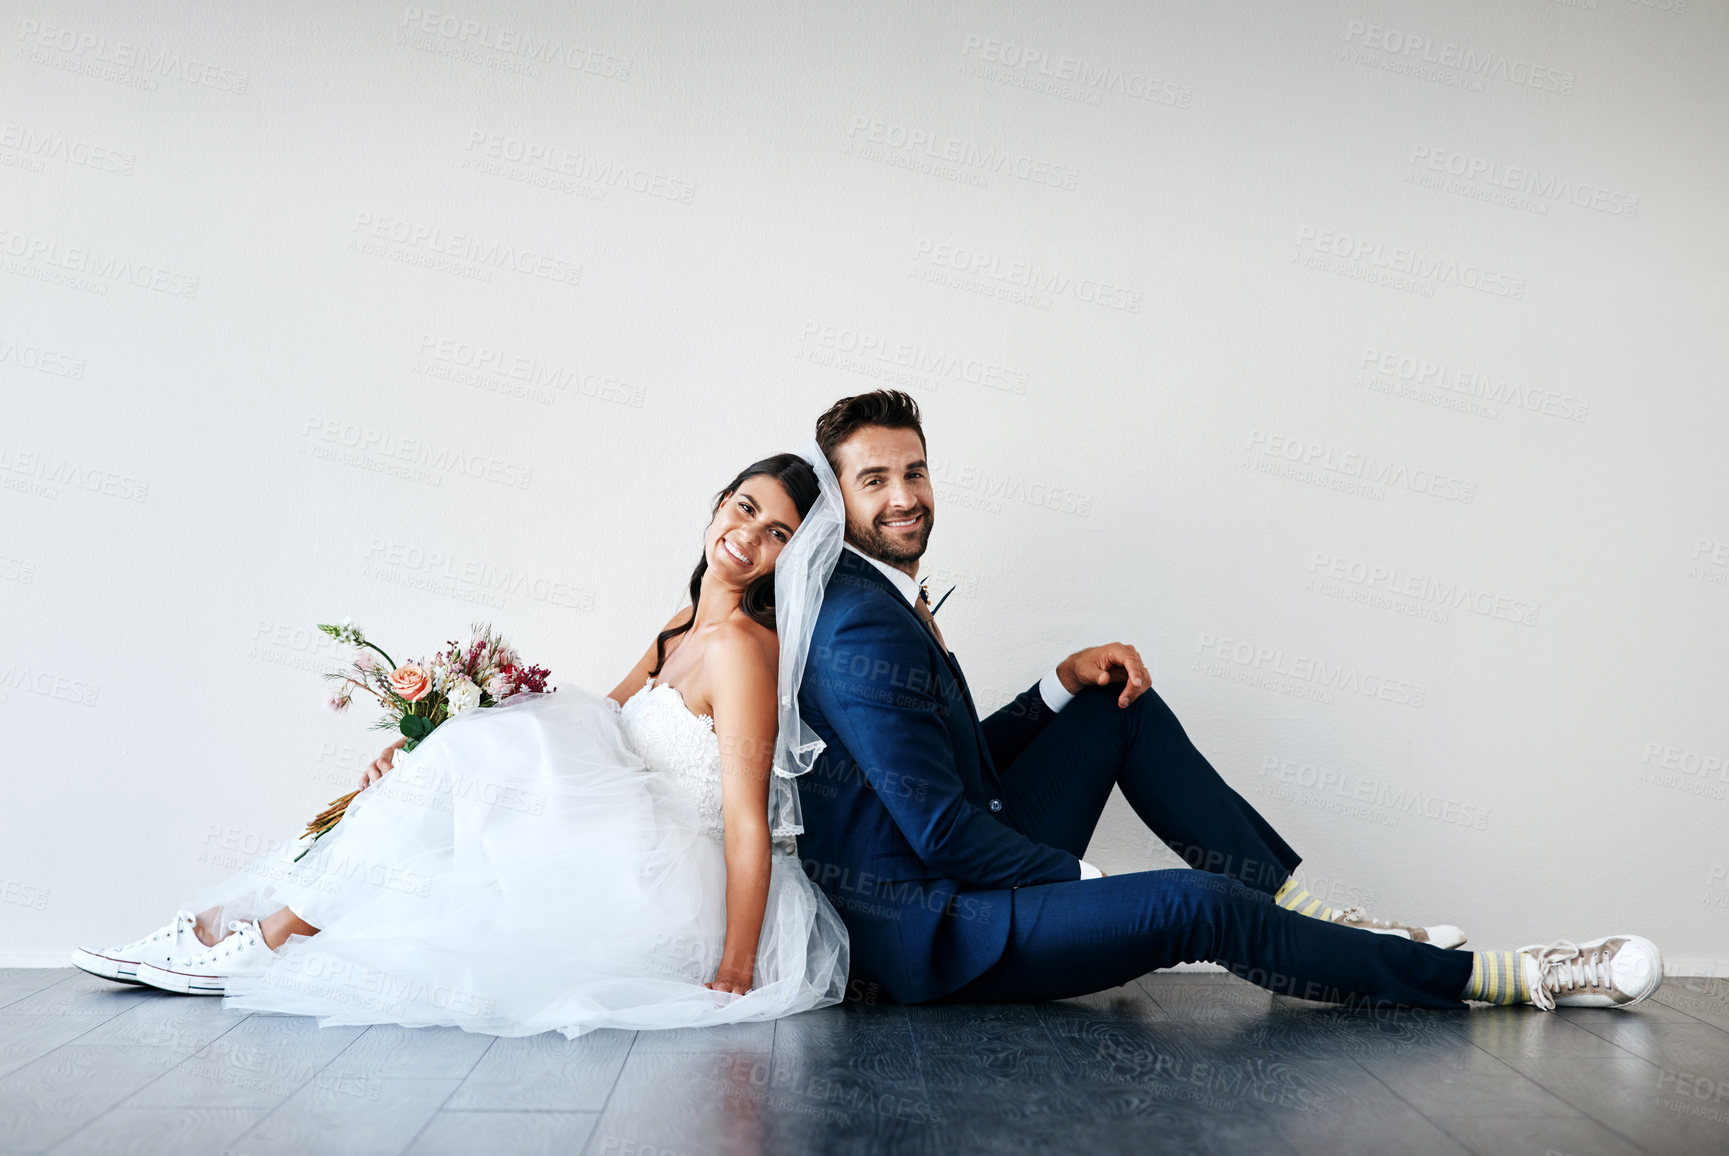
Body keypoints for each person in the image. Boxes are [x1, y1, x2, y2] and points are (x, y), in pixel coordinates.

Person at [793, 389, 1663, 1014]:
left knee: (1113, 705)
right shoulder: (859, 626)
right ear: (839, 499)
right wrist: (1085, 886)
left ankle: (1306, 915)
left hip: (962, 868)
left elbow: (941, 770)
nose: (904, 496)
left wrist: (1054, 689)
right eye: (874, 480)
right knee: (1196, 902)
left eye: (914, 470)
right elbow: (940, 831)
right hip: (936, 929)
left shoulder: (883, 596)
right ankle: (1505, 977)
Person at [71, 450, 853, 1037]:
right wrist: (435, 746)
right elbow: (593, 723)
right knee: (450, 777)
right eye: (743, 508)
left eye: (776, 531)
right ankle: (227, 926)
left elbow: (751, 822)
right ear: (717, 504)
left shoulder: (744, 650)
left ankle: (259, 942)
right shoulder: (682, 627)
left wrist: (736, 968)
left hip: (671, 879)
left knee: (477, 768)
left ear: (794, 556)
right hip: (613, 839)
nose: (746, 535)